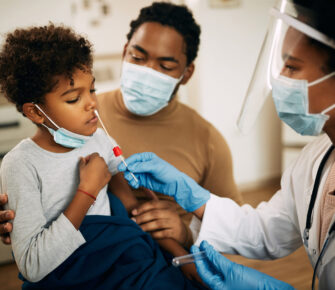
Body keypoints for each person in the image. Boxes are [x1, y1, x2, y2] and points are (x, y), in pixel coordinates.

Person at [117, 0, 335, 289]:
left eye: (292, 67)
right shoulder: (318, 158)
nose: (279, 79)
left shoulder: (205, 138)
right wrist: (192, 195)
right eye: (281, 63)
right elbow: (265, 231)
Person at [0, 1, 242, 249]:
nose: (147, 71)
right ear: (125, 50)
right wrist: (23, 220)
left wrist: (187, 233)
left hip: (164, 261)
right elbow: (44, 183)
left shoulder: (208, 140)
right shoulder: (73, 120)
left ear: (187, 73)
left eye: (165, 66)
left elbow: (238, 233)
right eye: (137, 57)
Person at [0, 24, 204, 289]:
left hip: (125, 260)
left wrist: (181, 256)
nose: (92, 103)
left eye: (92, 90)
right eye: (74, 98)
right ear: (36, 113)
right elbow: (33, 266)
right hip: (70, 276)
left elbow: (135, 211)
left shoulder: (99, 140)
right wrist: (87, 191)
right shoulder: (20, 164)